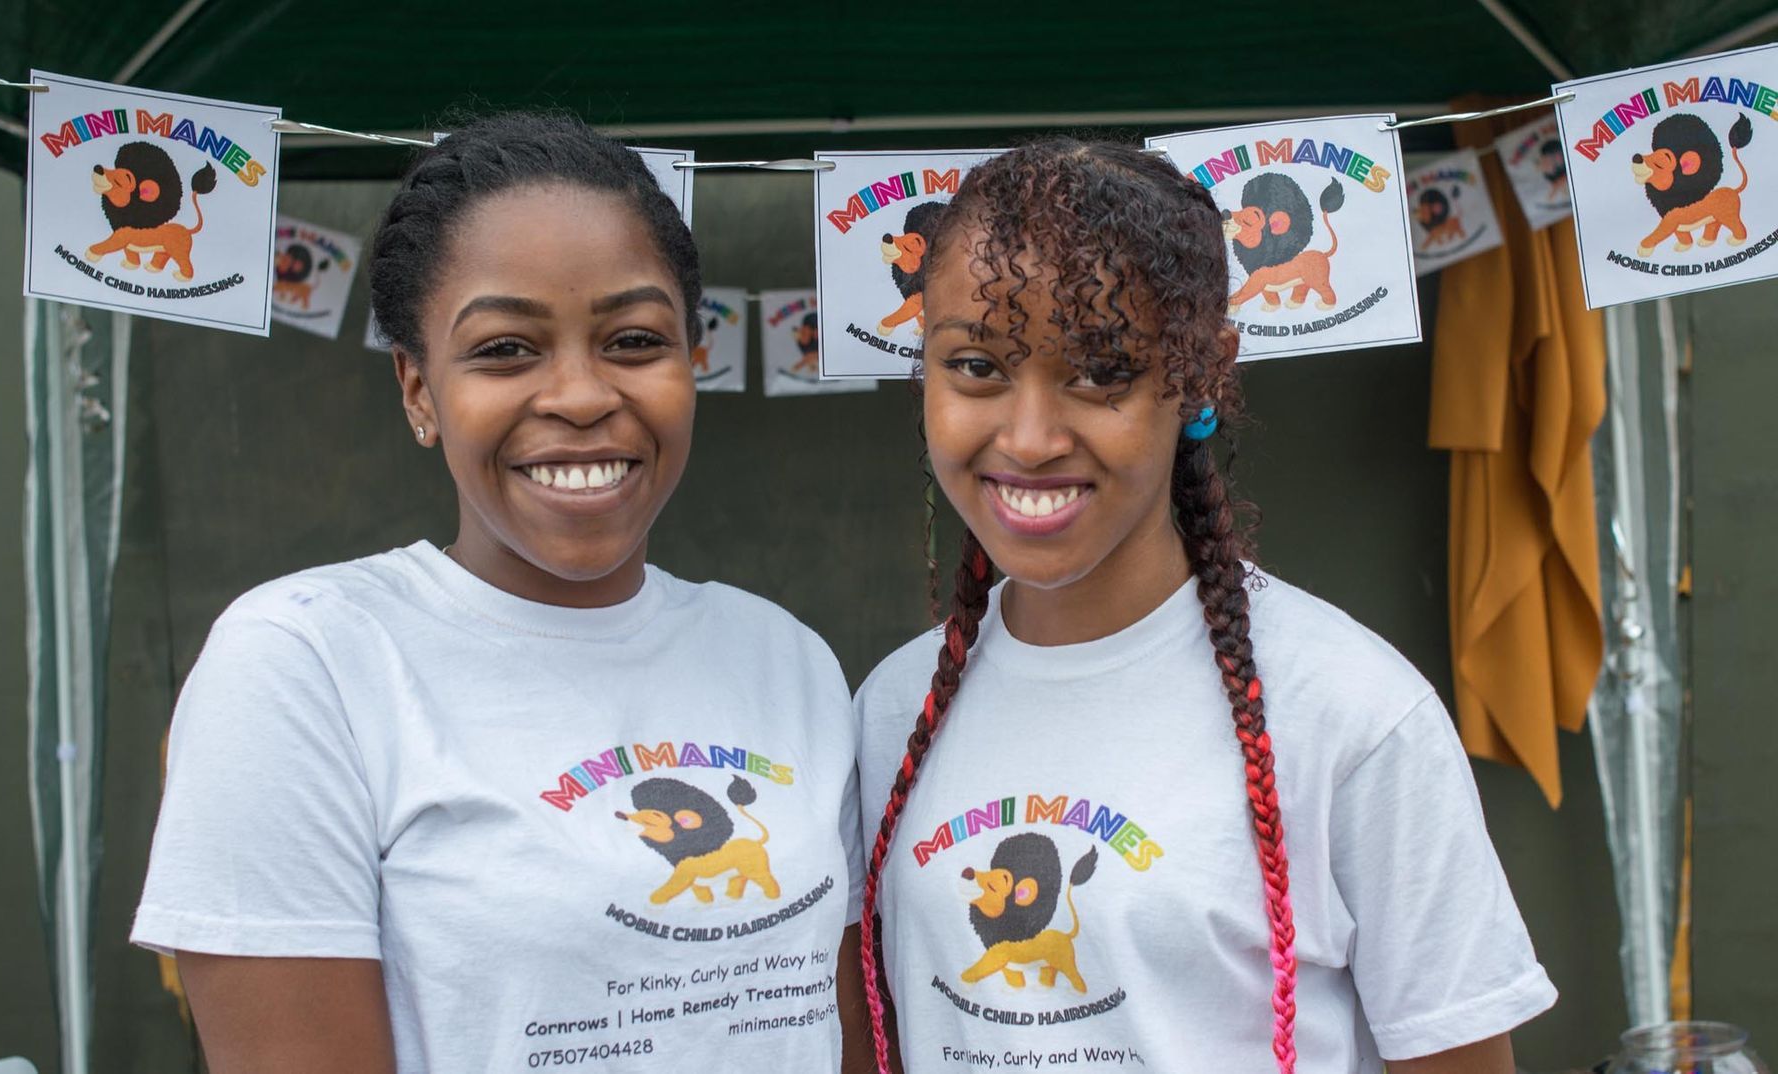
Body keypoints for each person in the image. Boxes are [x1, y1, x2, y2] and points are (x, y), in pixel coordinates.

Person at [132, 113, 865, 1073]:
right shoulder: (305, 665)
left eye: (635, 339)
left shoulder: (786, 659)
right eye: (505, 349)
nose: (579, 394)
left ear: (694, 359)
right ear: (419, 391)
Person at [853, 139, 1556, 1074]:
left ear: (1201, 375)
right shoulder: (893, 709)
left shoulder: (1350, 716)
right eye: (976, 366)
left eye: (1101, 370)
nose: (1027, 438)